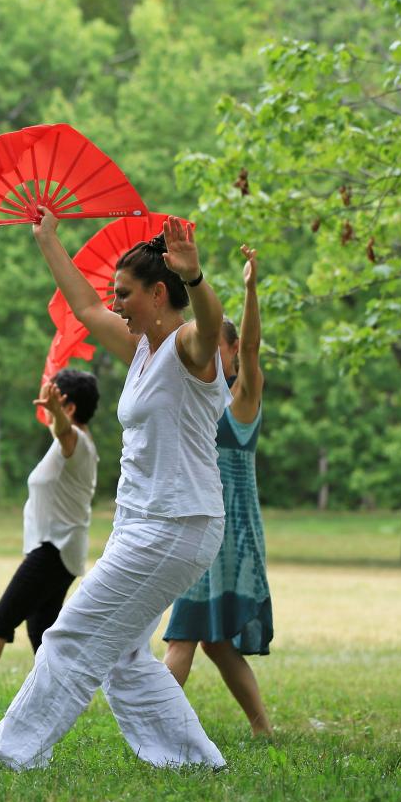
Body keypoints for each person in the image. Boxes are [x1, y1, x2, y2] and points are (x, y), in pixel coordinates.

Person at [0, 212, 228, 772]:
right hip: (144, 522)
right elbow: (84, 309)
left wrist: (197, 277)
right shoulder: (141, 352)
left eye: (125, 295)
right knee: (125, 654)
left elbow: (211, 325)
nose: (117, 304)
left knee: (70, 633)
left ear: (159, 294)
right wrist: (47, 239)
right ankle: (192, 760)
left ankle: (6, 756)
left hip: (178, 523)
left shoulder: (188, 348)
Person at [0, 370, 101, 704]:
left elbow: (64, 431)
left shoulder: (76, 442)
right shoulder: (74, 445)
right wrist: (57, 414)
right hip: (57, 550)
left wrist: (56, 415)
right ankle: (63, 696)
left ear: (68, 406)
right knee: (42, 633)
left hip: (53, 550)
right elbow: (61, 432)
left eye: (55, 400)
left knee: (1, 622)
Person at [163, 245, 273, 736]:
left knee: (183, 633)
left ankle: (156, 727)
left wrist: (250, 291)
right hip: (207, 523)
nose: (219, 354)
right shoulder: (199, 399)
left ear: (227, 349)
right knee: (214, 642)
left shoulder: (242, 402)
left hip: (225, 533)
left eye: (224, 347)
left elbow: (250, 348)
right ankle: (263, 728)